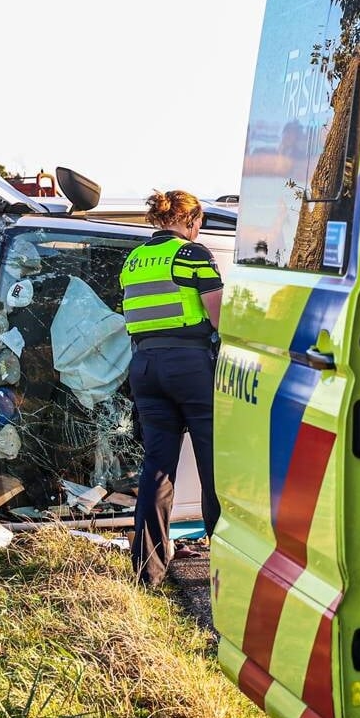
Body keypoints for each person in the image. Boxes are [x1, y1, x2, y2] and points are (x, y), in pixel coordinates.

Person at [121, 189, 222, 586]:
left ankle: (148, 573)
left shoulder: (133, 260)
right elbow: (219, 318)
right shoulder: (192, 254)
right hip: (190, 365)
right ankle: (224, 566)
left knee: (158, 470)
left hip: (145, 366)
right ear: (191, 219)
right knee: (213, 464)